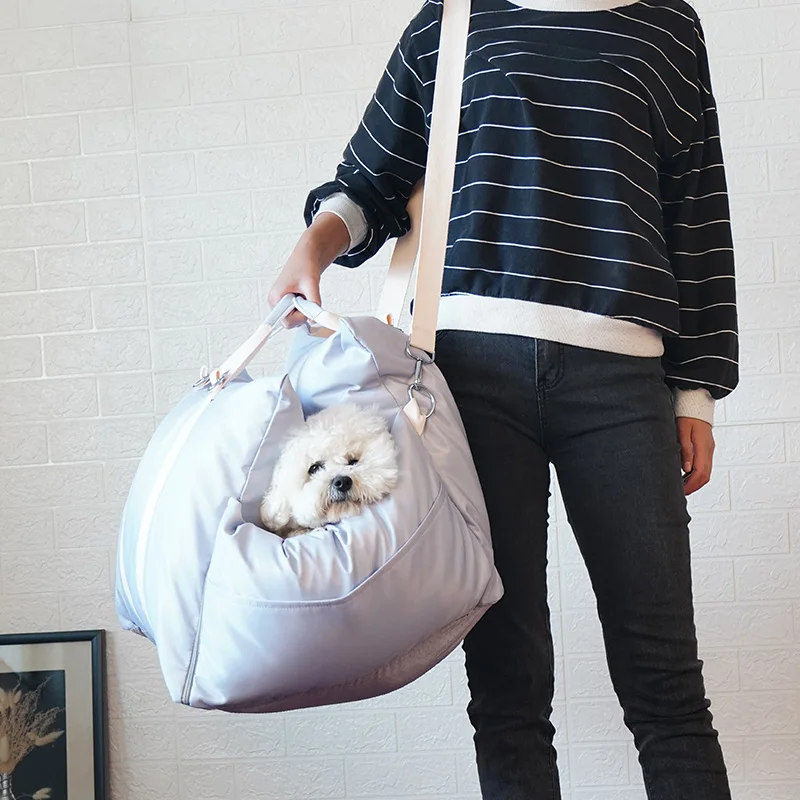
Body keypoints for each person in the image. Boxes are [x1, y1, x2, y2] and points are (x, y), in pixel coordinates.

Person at [267, 0, 738, 797]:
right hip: (469, 377)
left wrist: (697, 393)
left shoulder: (666, 24)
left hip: (624, 380)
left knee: (665, 682)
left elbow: (696, 212)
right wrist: (311, 246)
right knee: (507, 685)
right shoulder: (453, 18)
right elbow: (373, 178)